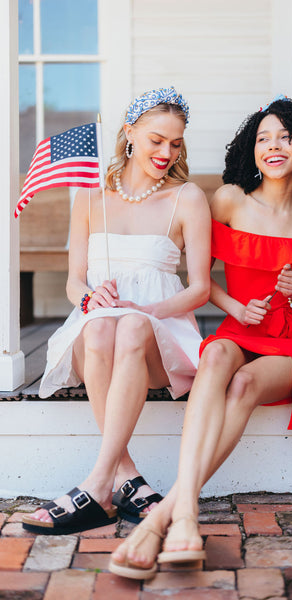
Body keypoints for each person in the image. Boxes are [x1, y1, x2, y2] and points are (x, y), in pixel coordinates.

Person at [108, 96, 292, 579]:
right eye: (263, 138)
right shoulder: (230, 199)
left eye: (285, 137)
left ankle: (168, 515)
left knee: (242, 385)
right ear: (250, 149)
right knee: (214, 354)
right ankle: (186, 517)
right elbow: (201, 277)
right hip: (241, 327)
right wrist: (237, 307)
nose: (272, 146)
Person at [22, 86, 211, 535]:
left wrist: (146, 309)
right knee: (101, 329)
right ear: (129, 134)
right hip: (98, 337)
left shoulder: (187, 199)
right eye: (156, 140)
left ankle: (96, 483)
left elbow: (200, 288)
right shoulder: (89, 198)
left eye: (176, 143)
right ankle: (124, 478)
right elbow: (73, 283)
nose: (166, 152)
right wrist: (89, 300)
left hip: (159, 336)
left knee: (128, 327)